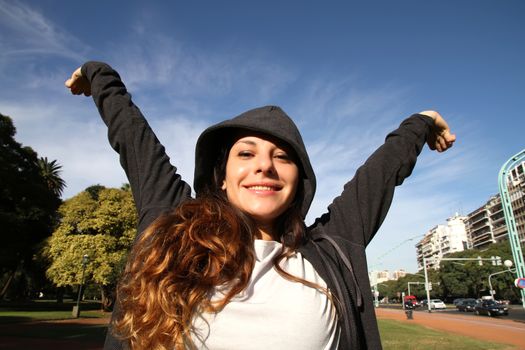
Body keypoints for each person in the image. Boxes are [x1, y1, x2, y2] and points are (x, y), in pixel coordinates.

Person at [65, 62, 455, 350]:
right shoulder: (173, 225)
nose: (264, 165)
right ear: (221, 176)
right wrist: (99, 75)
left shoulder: (332, 247)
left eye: (282, 157)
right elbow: (134, 137)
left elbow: (380, 174)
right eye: (246, 153)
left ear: (297, 180)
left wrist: (422, 122)